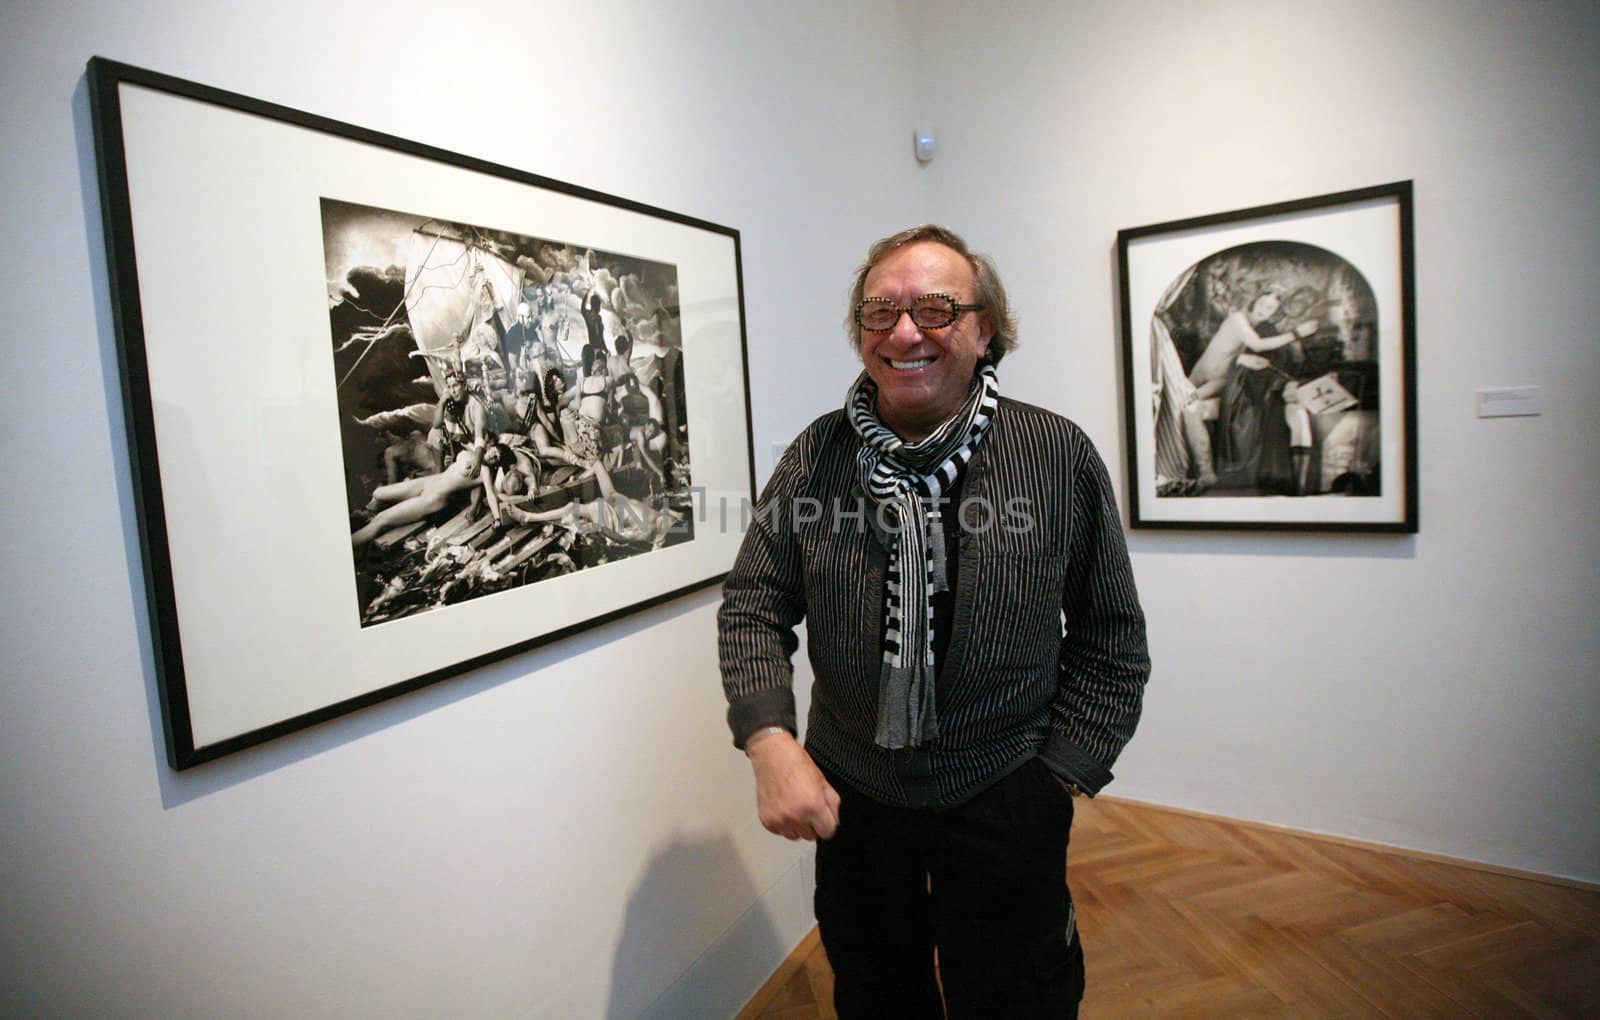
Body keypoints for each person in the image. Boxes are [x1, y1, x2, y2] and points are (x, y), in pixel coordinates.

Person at [718, 225, 1150, 1017]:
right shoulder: (815, 457)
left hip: (1007, 789)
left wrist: (1060, 774)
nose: (905, 331)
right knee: (879, 994)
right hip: (854, 793)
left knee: (1020, 994)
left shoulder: (1055, 455)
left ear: (986, 331)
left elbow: (1109, 632)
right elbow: (753, 601)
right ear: (860, 335)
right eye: (880, 311)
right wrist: (769, 739)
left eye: (937, 309)